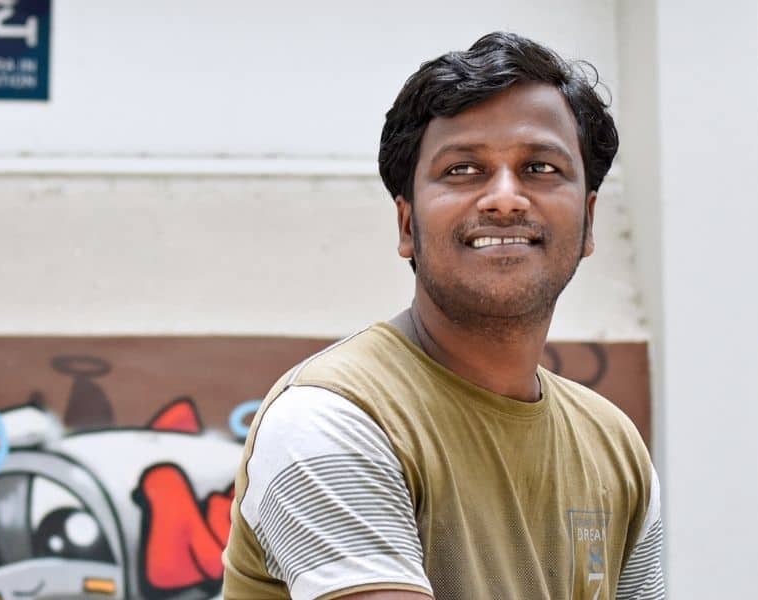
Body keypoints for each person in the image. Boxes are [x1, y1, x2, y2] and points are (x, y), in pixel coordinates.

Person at [221, 32, 666, 600]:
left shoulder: (614, 448)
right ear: (407, 225)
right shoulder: (333, 417)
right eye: (462, 170)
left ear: (589, 221)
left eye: (539, 167)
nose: (505, 198)